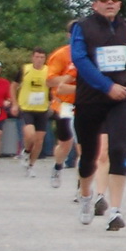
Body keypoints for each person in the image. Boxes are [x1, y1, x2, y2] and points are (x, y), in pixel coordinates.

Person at [70, 0, 126, 230]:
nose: (109, 3)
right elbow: (80, 59)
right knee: (89, 155)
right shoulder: (83, 27)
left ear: (120, 4)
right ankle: (87, 196)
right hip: (90, 98)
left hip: (120, 97)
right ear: (94, 4)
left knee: (118, 149)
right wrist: (106, 86)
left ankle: (115, 209)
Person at [43, 23, 81, 186]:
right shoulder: (61, 55)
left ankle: (81, 187)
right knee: (65, 142)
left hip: (84, 104)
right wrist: (70, 79)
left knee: (83, 148)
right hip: (64, 105)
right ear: (69, 36)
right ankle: (58, 167)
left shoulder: (90, 53)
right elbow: (50, 81)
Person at [16, 49, 53, 177]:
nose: (39, 60)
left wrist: (53, 101)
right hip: (27, 107)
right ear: (32, 58)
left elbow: (53, 87)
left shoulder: (48, 71)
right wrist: (15, 103)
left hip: (42, 109)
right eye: (37, 57)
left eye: (42, 57)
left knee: (39, 140)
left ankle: (31, 165)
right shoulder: (25, 69)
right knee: (30, 134)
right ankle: (26, 151)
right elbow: (13, 86)